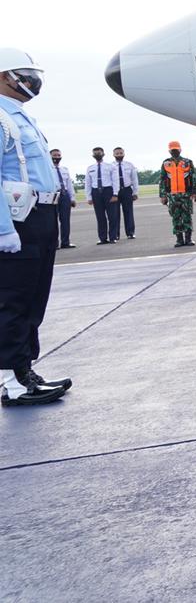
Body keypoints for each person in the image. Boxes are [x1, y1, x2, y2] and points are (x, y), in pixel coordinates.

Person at [0, 49, 72, 407]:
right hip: (18, 221)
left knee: (34, 298)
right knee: (13, 299)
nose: (32, 80)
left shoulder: (20, 117)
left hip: (42, 215)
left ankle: (23, 369)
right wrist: (3, 230)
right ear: (3, 76)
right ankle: (12, 380)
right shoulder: (0, 118)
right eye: (23, 73)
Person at [159, 142, 196, 248]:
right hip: (172, 195)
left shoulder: (187, 162)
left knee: (187, 217)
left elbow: (194, 177)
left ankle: (188, 238)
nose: (174, 152)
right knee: (175, 217)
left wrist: (195, 192)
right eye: (172, 150)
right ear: (169, 151)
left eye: (176, 150)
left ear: (180, 150)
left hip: (186, 194)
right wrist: (163, 195)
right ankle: (179, 240)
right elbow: (162, 180)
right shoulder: (166, 163)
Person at [85, 146, 119, 244]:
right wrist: (89, 197)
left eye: (99, 153)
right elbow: (88, 183)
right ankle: (102, 238)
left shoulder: (110, 166)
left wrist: (115, 194)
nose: (97, 155)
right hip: (96, 192)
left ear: (103, 154)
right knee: (100, 217)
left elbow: (115, 180)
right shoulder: (90, 168)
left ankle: (113, 237)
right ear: (93, 155)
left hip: (108, 191)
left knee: (112, 216)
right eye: (95, 153)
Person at [49, 149, 76, 249]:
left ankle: (65, 242)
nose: (56, 157)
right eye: (54, 155)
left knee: (65, 221)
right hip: (53, 195)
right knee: (53, 221)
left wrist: (72, 198)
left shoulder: (64, 169)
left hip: (64, 195)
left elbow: (69, 184)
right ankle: (54, 243)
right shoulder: (47, 169)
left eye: (58, 155)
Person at [112, 147, 140, 239]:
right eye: (117, 153)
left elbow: (134, 179)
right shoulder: (110, 166)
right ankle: (116, 234)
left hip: (127, 190)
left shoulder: (129, 165)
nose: (119, 155)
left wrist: (135, 192)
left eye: (120, 153)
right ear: (113, 155)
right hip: (115, 191)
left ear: (124, 154)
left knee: (128, 212)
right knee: (115, 213)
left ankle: (130, 233)